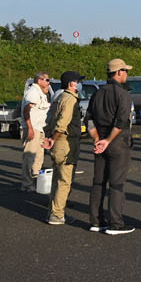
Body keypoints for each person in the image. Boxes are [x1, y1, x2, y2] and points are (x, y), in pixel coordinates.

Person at [86, 58, 135, 234]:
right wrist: (107, 140)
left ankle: (96, 221)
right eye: (125, 71)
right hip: (117, 142)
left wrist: (97, 139)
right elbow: (121, 122)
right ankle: (116, 223)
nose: (127, 74)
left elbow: (88, 119)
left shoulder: (97, 93)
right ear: (119, 72)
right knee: (116, 184)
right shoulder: (123, 94)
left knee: (98, 182)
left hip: (100, 140)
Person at [42, 71, 84, 226]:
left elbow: (50, 118)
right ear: (72, 83)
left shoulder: (60, 97)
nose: (79, 84)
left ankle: (53, 211)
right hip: (66, 142)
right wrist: (53, 138)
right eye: (78, 81)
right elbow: (63, 122)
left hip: (58, 143)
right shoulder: (70, 99)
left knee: (57, 179)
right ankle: (57, 214)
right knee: (65, 180)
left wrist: (50, 137)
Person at [21, 72, 53, 187]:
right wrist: (29, 128)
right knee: (29, 157)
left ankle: (35, 181)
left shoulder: (41, 93)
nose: (49, 82)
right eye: (47, 80)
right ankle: (26, 184)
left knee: (39, 157)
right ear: (39, 80)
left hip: (40, 129)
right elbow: (26, 110)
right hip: (33, 128)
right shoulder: (33, 92)